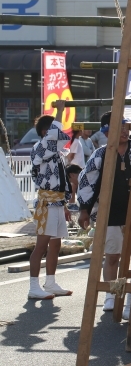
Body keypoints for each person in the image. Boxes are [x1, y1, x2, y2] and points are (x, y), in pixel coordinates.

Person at [77, 111, 131, 312]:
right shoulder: (100, 154)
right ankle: (111, 295)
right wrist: (84, 210)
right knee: (112, 256)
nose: (125, 131)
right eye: (120, 127)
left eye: (126, 127)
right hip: (109, 211)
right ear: (107, 132)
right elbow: (87, 182)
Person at [27, 100, 73, 299]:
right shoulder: (40, 148)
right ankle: (33, 286)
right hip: (46, 203)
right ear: (45, 132)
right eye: (52, 129)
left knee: (56, 244)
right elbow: (56, 135)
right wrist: (60, 111)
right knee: (42, 244)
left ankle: (51, 282)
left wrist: (65, 205)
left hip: (57, 201)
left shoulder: (54, 153)